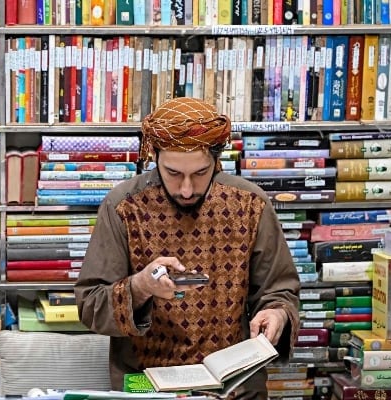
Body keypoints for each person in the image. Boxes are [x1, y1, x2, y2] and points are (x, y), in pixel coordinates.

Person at [74, 97, 300, 399]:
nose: (187, 189)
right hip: (147, 388)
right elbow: (90, 304)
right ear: (153, 155)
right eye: (174, 173)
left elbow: (279, 290)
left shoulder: (250, 203)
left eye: (200, 173)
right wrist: (139, 287)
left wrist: (277, 315)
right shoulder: (122, 206)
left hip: (235, 388)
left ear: (217, 160)